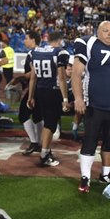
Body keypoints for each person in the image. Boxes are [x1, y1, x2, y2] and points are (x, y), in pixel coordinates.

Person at [72, 21, 110, 192]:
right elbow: (76, 73)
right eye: (105, 31)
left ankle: (105, 174)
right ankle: (85, 178)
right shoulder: (88, 44)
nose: (109, 34)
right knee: (90, 140)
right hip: (94, 103)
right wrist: (78, 98)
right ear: (97, 33)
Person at [27, 32, 69, 167]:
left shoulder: (35, 52)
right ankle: (44, 155)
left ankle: (46, 150)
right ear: (60, 40)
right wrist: (65, 98)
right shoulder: (60, 52)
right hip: (53, 91)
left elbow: (33, 77)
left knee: (47, 122)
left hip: (40, 91)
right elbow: (61, 77)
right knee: (50, 125)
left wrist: (30, 96)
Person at [10, 31, 44, 155]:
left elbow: (33, 74)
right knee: (37, 116)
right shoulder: (43, 52)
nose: (24, 41)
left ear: (33, 40)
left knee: (23, 115)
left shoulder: (32, 54)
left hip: (35, 88)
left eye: (26, 38)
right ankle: (39, 142)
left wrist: (18, 78)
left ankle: (34, 142)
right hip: (43, 88)